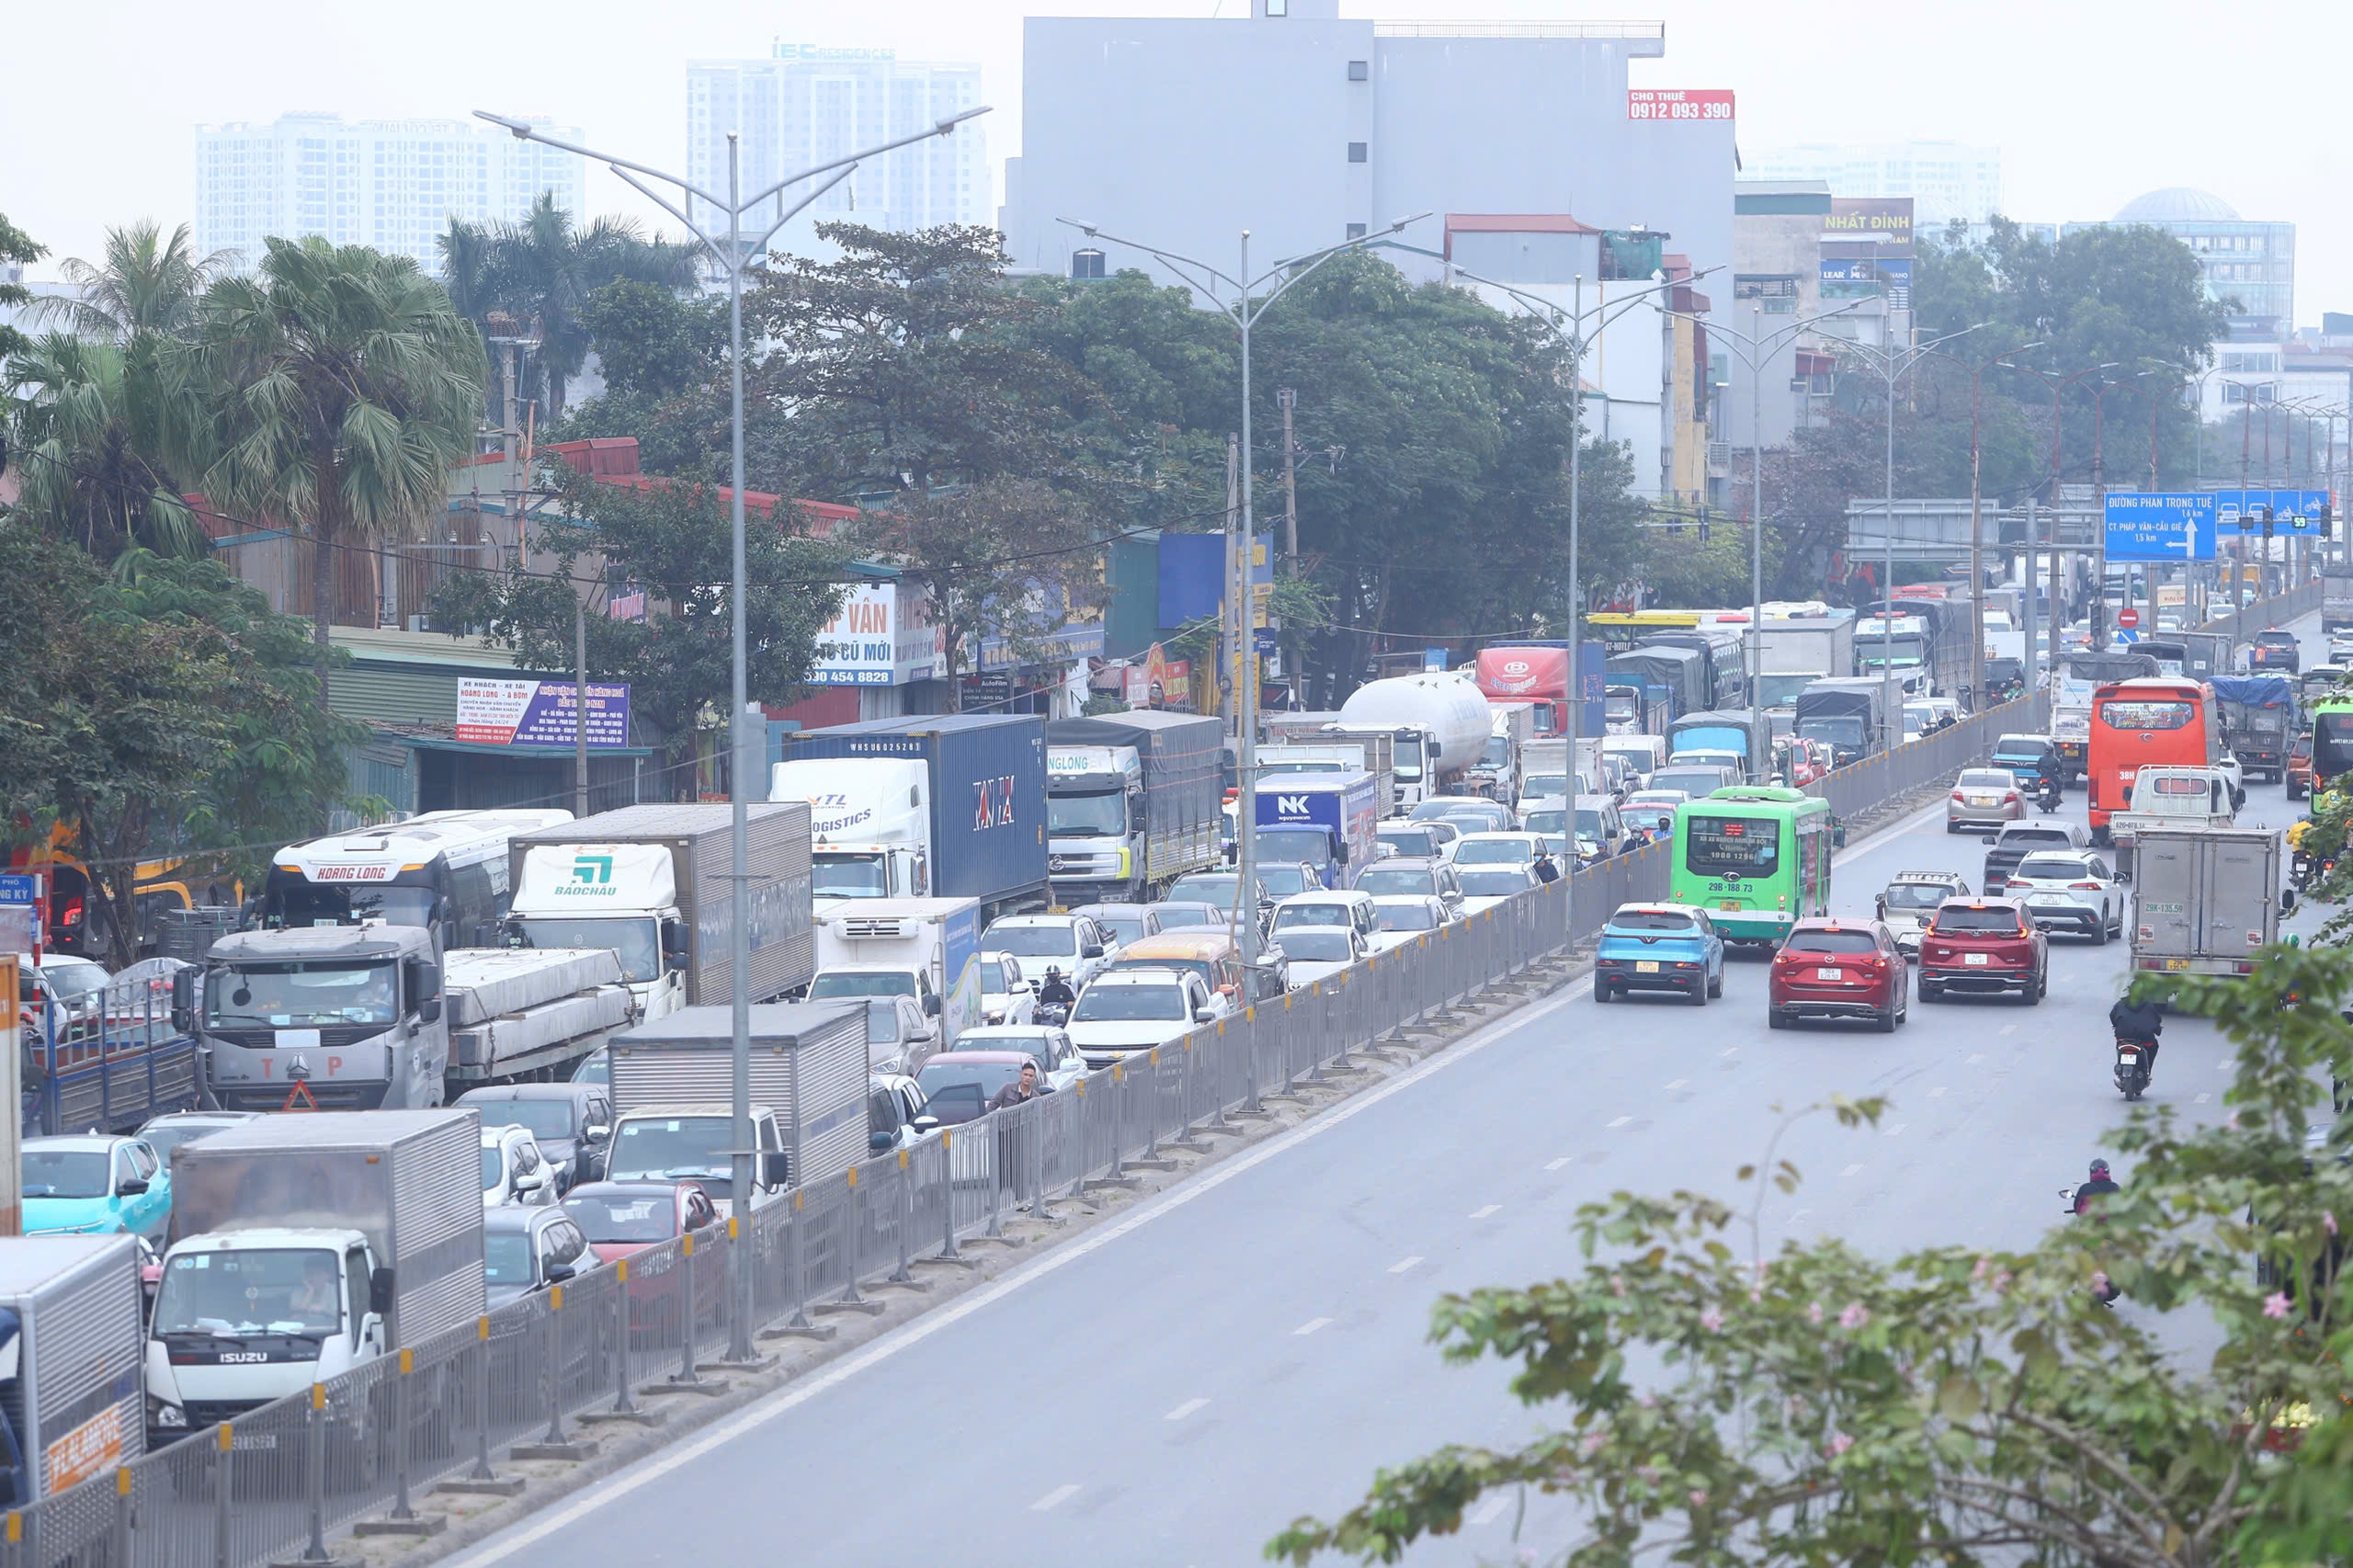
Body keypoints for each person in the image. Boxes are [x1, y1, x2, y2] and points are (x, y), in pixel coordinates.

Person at [2109, 990, 2165, 1077]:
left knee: (2119, 1046)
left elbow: (2112, 1016)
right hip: (2145, 1038)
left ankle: (2120, 1066)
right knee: (2153, 1047)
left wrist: (2117, 1025)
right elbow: (2157, 1019)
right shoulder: (2149, 1005)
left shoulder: (2120, 1004)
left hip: (2123, 1036)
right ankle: (2147, 1071)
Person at [986, 1060, 1051, 1111]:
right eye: (1025, 1075)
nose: (1027, 1078)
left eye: (1030, 1076)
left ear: (1034, 1078)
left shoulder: (1036, 1097)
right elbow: (992, 1105)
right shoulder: (1007, 1088)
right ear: (1021, 1075)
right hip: (1006, 1127)